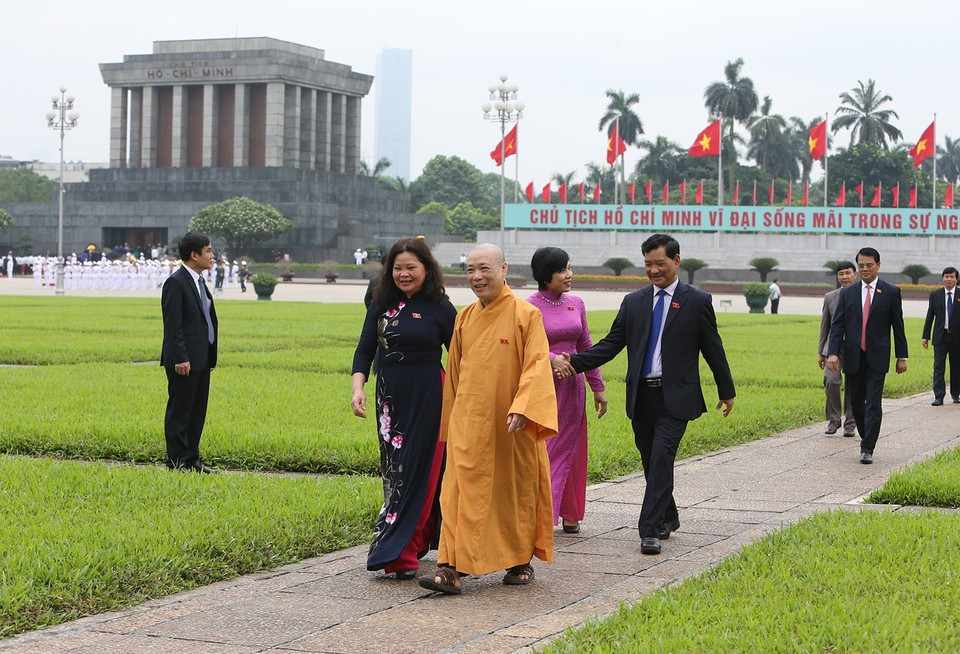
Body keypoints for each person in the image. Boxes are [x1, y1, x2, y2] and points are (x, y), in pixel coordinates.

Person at [554, 233, 735, 556]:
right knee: (652, 462)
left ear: (676, 262)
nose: (654, 270)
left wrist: (726, 390)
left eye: (660, 264)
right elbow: (611, 344)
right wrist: (576, 363)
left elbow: (713, 348)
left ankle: (649, 530)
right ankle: (669, 515)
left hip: (675, 397)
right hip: (642, 396)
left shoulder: (696, 301)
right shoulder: (634, 302)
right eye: (648, 264)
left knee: (662, 458)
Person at [419, 243, 558, 595]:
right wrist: (450, 422)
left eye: (484, 268)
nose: (477, 277)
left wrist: (524, 407)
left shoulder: (526, 315)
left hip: (512, 424)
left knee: (512, 492)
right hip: (469, 421)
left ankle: (518, 560)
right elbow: (453, 375)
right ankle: (450, 568)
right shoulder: (464, 317)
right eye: (470, 270)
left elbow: (537, 365)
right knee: (458, 492)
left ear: (504, 269)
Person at [351, 238, 457, 580]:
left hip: (431, 399)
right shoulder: (381, 303)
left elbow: (461, 357)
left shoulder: (440, 306)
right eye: (398, 268)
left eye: (411, 267)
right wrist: (358, 388)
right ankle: (410, 541)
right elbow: (365, 349)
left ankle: (403, 553)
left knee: (423, 473)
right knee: (396, 472)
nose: (404, 274)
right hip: (390, 402)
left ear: (427, 268)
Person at [526, 247, 607, 535]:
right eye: (563, 270)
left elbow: (586, 346)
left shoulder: (576, 303)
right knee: (548, 447)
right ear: (545, 275)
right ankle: (543, 515)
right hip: (544, 386)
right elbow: (527, 348)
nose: (569, 275)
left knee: (573, 447)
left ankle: (571, 513)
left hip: (573, 387)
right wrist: (552, 360)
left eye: (570, 268)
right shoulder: (529, 306)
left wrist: (597, 386)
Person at [827, 247, 908, 465]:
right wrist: (832, 352)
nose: (865, 269)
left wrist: (902, 356)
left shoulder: (890, 292)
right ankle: (867, 435)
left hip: (878, 357)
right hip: (854, 356)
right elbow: (838, 326)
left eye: (869, 265)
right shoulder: (848, 293)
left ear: (878, 265)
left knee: (873, 403)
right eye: (861, 266)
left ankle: (867, 447)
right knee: (856, 402)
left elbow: (897, 326)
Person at [160, 232, 218, 473]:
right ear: (194, 255)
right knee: (180, 412)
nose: (212, 256)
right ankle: (176, 461)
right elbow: (173, 326)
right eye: (208, 251)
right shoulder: (176, 282)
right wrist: (180, 357)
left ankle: (192, 459)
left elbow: (206, 321)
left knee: (197, 412)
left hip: (201, 359)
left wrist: (211, 356)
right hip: (184, 360)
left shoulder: (200, 282)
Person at [818, 262, 858, 436]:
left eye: (848, 273)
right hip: (833, 348)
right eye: (841, 274)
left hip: (855, 347)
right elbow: (824, 326)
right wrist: (821, 352)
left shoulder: (862, 296)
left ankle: (850, 423)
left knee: (853, 385)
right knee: (831, 380)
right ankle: (834, 420)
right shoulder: (830, 297)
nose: (844, 277)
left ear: (855, 274)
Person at [921, 266, 960, 405]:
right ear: (942, 278)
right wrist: (925, 336)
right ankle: (939, 396)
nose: (949, 279)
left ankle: (956, 394)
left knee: (956, 366)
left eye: (952, 277)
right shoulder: (936, 295)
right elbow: (930, 316)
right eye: (946, 276)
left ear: (956, 279)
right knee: (938, 366)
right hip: (940, 336)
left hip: (956, 337)